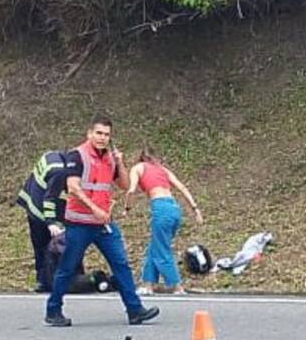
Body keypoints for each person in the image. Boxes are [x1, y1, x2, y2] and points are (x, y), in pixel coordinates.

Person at [45, 116, 159, 328]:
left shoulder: (110, 159)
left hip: (102, 224)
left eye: (106, 134)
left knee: (120, 264)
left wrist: (120, 163)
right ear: (89, 133)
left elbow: (125, 185)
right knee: (67, 267)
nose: (102, 138)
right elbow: (73, 188)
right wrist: (95, 209)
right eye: (99, 133)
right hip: (79, 222)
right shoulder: (76, 155)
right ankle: (53, 310)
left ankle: (135, 310)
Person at [126, 146, 203, 295]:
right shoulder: (163, 170)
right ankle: (148, 284)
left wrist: (127, 208)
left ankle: (176, 285)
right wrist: (195, 209)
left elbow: (131, 190)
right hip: (174, 208)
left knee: (161, 249)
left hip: (160, 207)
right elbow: (181, 187)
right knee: (154, 247)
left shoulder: (138, 168)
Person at [16, 150, 82, 292]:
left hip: (38, 194)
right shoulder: (59, 173)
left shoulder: (62, 160)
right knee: (43, 243)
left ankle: (63, 277)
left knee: (58, 242)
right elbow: (50, 199)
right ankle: (44, 281)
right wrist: (52, 223)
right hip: (37, 206)